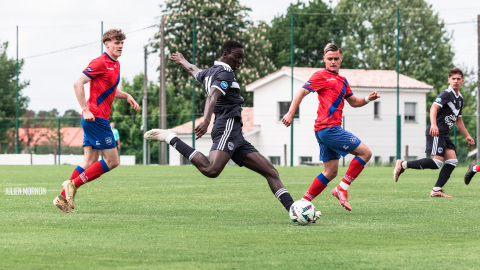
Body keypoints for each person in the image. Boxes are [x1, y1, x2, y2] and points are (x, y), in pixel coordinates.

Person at [144, 40, 312, 220]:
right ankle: (171, 138)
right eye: (237, 56)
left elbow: (193, 70)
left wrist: (182, 60)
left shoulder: (209, 72)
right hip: (227, 125)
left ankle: (293, 211)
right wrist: (207, 119)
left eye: (242, 58)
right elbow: (213, 95)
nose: (240, 61)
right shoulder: (225, 72)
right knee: (211, 169)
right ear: (225, 55)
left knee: (270, 171)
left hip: (234, 131)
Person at [282, 43, 380, 212]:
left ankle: (302, 204)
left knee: (331, 172)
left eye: (336, 58)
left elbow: (354, 102)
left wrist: (368, 99)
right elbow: (301, 92)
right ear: (324, 60)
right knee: (366, 153)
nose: (333, 61)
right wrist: (290, 113)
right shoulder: (320, 75)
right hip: (329, 129)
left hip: (323, 131)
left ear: (341, 59)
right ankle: (342, 188)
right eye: (330, 59)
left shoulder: (343, 81)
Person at [53, 29, 139, 213]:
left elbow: (111, 90)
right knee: (112, 161)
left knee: (89, 161)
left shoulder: (115, 65)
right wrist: (85, 109)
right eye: (117, 43)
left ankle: (62, 198)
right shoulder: (100, 62)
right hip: (95, 118)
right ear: (106, 44)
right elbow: (78, 83)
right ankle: (72, 186)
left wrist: (127, 96)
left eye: (122, 43)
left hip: (97, 118)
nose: (120, 46)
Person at [394, 68, 474, 197]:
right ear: (449, 80)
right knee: (437, 163)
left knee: (452, 161)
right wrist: (434, 125)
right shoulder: (446, 93)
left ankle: (437, 190)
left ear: (462, 81)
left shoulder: (460, 99)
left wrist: (467, 135)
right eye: (453, 79)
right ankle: (403, 164)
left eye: (458, 79)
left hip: (444, 133)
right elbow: (434, 107)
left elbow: (458, 120)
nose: (455, 81)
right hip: (436, 131)